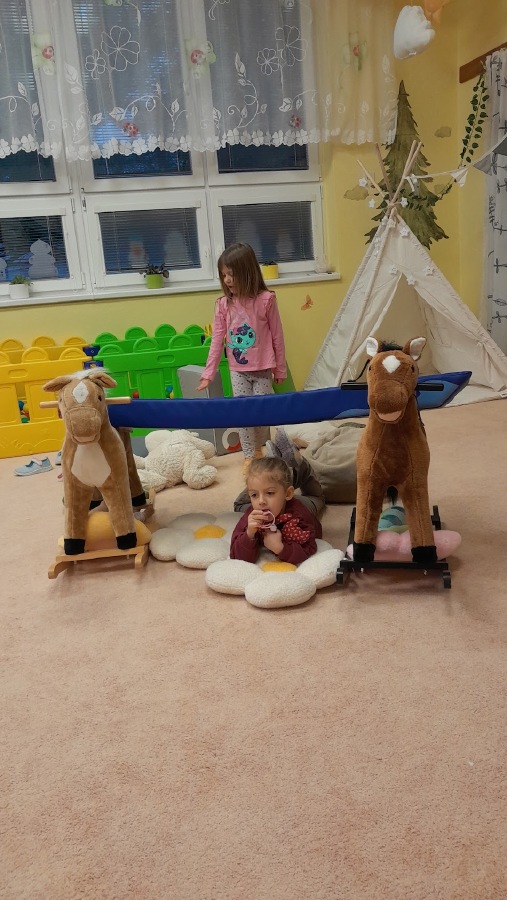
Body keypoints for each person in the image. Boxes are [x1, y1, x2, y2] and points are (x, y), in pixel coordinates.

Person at [197, 242, 287, 472]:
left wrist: (280, 368)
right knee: (243, 413)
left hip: (263, 368)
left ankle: (259, 448)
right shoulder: (223, 304)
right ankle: (249, 455)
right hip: (238, 370)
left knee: (262, 412)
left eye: (232, 274)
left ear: (247, 272)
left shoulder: (266, 300)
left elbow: (277, 336)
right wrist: (208, 373)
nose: (227, 280)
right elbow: (217, 340)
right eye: (223, 275)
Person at [230, 455, 325, 565]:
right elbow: (236, 556)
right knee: (239, 505)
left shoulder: (300, 515)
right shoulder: (251, 516)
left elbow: (310, 548)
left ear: (288, 493)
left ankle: (302, 466)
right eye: (254, 495)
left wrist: (281, 548)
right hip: (279, 501)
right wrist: (249, 534)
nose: (261, 501)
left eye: (270, 493)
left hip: (306, 502)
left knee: (317, 498)